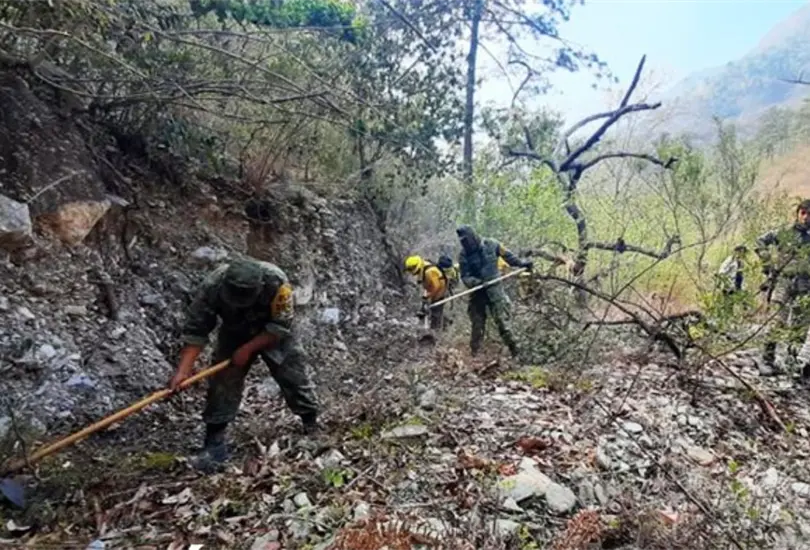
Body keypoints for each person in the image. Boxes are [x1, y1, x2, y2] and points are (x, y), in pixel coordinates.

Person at [169, 258, 319, 471]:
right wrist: (182, 372)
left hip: (273, 331)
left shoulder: (277, 282)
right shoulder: (212, 286)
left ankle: (310, 423)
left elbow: (281, 324)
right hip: (234, 332)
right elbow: (196, 330)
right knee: (223, 382)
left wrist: (247, 349)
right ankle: (214, 444)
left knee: (293, 374)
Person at [456, 225, 532, 357]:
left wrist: (522, 263)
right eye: (462, 241)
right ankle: (476, 355)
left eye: (467, 239)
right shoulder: (463, 255)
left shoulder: (492, 244)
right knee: (477, 326)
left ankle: (517, 353)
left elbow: (509, 257)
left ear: (473, 236)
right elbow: (465, 277)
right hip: (477, 293)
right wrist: (477, 282)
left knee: (504, 323)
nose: (465, 243)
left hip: (495, 291)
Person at [755, 199, 810, 376]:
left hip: (805, 285)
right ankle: (766, 359)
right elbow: (761, 241)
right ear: (798, 213)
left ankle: (791, 362)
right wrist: (767, 263)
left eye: (809, 214)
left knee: (800, 325)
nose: (806, 217)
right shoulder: (785, 232)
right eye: (803, 213)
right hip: (783, 282)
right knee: (778, 321)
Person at [404, 255, 450, 330]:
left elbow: (436, 286)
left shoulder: (429, 271)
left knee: (435, 313)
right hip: (433, 293)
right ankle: (444, 323)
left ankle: (435, 331)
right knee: (433, 311)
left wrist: (428, 296)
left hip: (439, 294)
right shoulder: (425, 266)